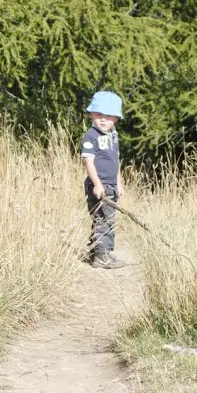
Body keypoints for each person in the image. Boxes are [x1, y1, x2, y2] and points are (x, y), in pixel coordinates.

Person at [79, 91, 127, 269]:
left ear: (116, 118)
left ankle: (99, 252)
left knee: (108, 219)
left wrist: (119, 183)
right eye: (99, 115)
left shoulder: (113, 136)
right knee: (102, 219)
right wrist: (97, 184)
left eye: (109, 116)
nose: (103, 119)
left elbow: (116, 161)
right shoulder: (92, 136)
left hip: (111, 184)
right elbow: (88, 162)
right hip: (98, 185)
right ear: (92, 114)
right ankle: (101, 256)